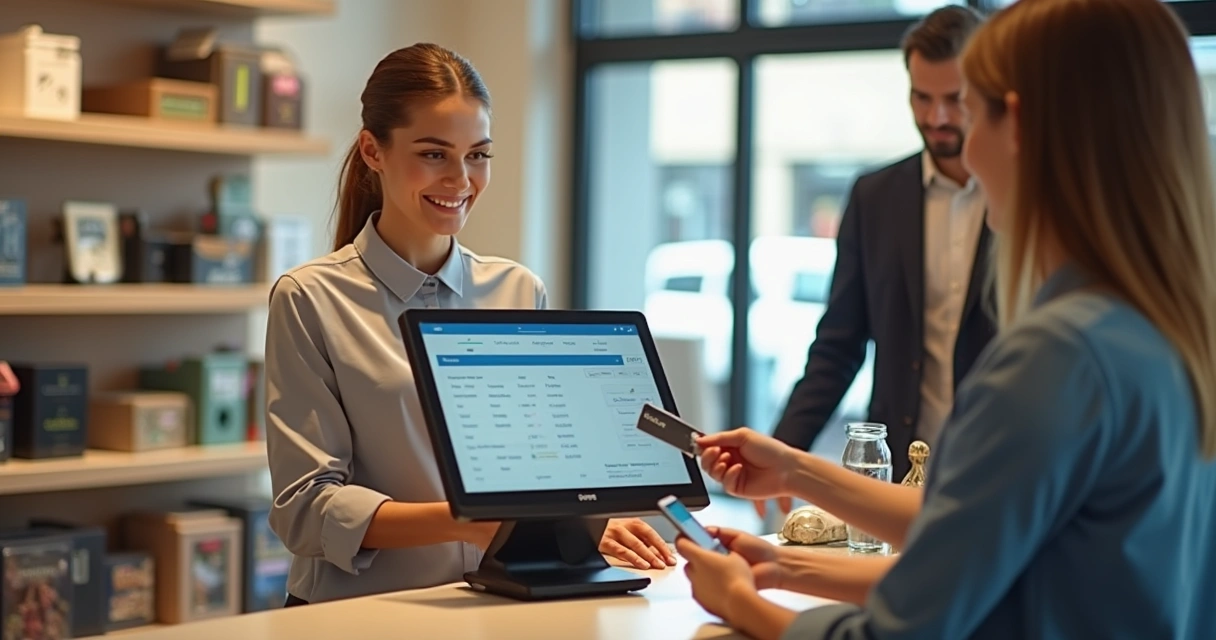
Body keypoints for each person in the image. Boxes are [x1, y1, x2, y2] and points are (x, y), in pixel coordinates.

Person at [676, 0, 1216, 637]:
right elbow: (981, 537)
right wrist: (794, 488)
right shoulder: (1162, 332)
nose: (954, 135)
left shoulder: (1058, 357)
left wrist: (738, 602)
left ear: (1016, 124)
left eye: (969, 108)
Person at [263, 43, 674, 607]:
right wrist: (470, 521)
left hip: (495, 605)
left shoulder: (518, 290)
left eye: (478, 155)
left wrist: (580, 523)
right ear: (373, 151)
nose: (460, 179)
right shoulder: (310, 297)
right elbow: (306, 508)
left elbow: (538, 467)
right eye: (434, 153)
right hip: (362, 612)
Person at [767, 5, 994, 512]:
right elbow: (839, 343)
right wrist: (784, 451)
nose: (936, 118)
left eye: (954, 99)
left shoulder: (1026, 194)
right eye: (922, 97)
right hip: (900, 472)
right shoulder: (875, 196)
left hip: (1001, 467)